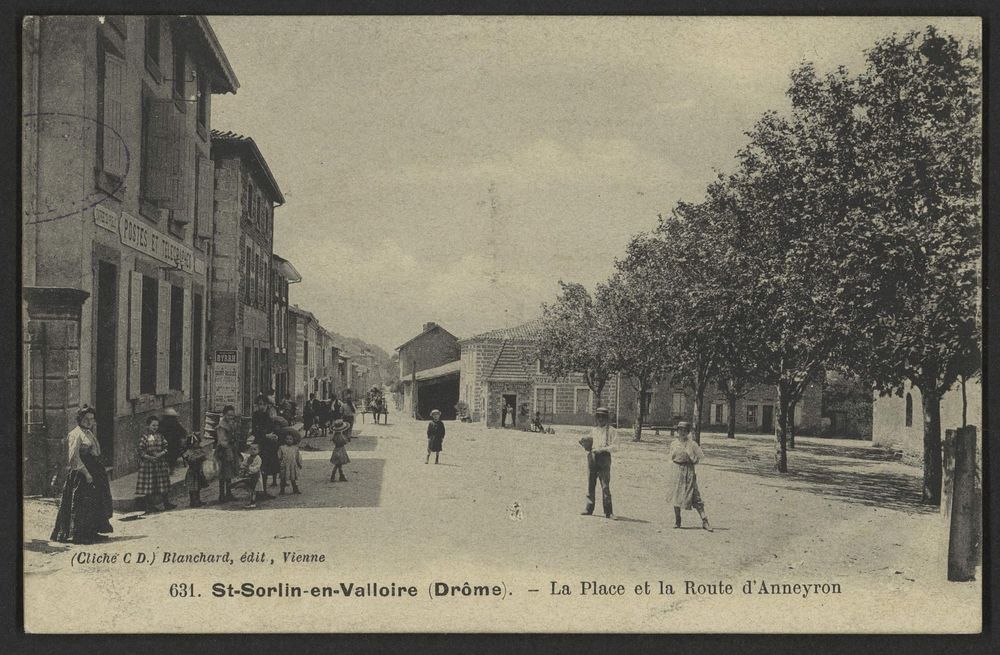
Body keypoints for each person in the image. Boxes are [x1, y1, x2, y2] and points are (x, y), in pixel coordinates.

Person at [51, 405, 113, 544]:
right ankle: (78, 535)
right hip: (81, 474)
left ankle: (92, 532)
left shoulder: (89, 432)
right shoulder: (76, 434)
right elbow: (74, 457)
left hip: (94, 471)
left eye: (92, 419)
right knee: (80, 504)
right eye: (86, 419)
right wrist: (86, 474)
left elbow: (95, 452)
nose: (89, 421)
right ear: (80, 419)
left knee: (94, 502)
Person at [669, 421, 712, 531]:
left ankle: (704, 520)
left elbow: (701, 457)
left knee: (695, 495)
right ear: (677, 431)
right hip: (677, 470)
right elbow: (670, 457)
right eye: (680, 430)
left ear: (688, 432)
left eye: (685, 431)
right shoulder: (674, 444)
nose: (682, 432)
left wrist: (693, 460)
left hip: (689, 471)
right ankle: (677, 520)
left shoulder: (692, 444)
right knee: (676, 495)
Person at [581, 407, 616, 520]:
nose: (600, 419)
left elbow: (616, 446)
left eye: (603, 417)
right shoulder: (593, 430)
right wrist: (584, 442)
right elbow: (589, 442)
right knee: (591, 483)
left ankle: (608, 511)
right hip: (592, 458)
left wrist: (603, 449)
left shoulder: (611, 431)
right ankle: (589, 508)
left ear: (607, 418)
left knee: (605, 485)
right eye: (598, 416)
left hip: (604, 458)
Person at [136, 416, 175, 513]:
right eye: (153, 425)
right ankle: (150, 506)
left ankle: (166, 503)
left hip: (160, 463)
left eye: (157, 425)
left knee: (163, 484)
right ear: (148, 425)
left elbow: (166, 447)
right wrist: (150, 458)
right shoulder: (144, 437)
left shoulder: (160, 436)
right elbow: (140, 451)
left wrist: (160, 454)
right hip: (148, 465)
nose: (155, 427)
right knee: (150, 485)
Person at [214, 405, 241, 503]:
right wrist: (229, 442)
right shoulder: (221, 426)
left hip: (231, 450)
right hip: (223, 451)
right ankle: (221, 495)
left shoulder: (232, 424)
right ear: (224, 414)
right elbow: (222, 440)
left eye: (232, 415)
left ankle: (228, 493)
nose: (231, 417)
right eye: (229, 415)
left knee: (229, 473)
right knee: (223, 473)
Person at [181, 434, 209, 508]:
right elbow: (190, 459)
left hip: (198, 470)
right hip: (192, 471)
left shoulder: (199, 450)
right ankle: (192, 501)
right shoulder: (188, 452)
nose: (197, 444)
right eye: (196, 442)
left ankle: (198, 500)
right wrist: (199, 457)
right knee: (192, 488)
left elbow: (205, 457)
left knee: (198, 487)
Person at [158, 407, 187, 473]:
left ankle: (170, 467)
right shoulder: (165, 423)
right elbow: (183, 432)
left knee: (172, 452)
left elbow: (183, 432)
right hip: (170, 445)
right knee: (172, 453)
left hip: (171, 444)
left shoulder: (174, 423)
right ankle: (171, 467)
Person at [278, 430, 303, 495]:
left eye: (290, 439)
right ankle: (282, 490)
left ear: (293, 440)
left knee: (293, 478)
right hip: (285, 465)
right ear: (284, 440)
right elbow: (279, 457)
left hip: (292, 465)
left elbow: (297, 457)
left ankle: (295, 489)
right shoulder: (282, 448)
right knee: (283, 478)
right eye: (287, 439)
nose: (289, 440)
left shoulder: (295, 448)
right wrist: (280, 463)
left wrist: (299, 464)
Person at [240, 442, 264, 509]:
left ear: (258, 451)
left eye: (254, 449)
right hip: (249, 475)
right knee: (250, 489)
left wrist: (249, 468)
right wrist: (242, 466)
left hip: (255, 476)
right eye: (251, 449)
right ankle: (251, 501)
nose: (252, 451)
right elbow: (243, 464)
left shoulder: (258, 459)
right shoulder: (248, 458)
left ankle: (253, 502)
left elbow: (257, 468)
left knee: (254, 489)